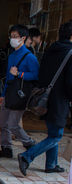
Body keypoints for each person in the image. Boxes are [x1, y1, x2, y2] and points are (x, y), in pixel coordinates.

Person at [18, 21, 72, 175]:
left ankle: (51, 164)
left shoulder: (51, 50)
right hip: (59, 100)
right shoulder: (70, 53)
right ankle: (27, 156)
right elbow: (70, 82)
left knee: (52, 132)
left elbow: (41, 73)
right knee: (56, 135)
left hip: (45, 99)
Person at [0, 24, 38, 158]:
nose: (12, 39)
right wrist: (3, 94)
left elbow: (36, 75)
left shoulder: (30, 57)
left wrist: (20, 74)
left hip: (20, 94)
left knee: (13, 124)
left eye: (15, 37)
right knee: (2, 123)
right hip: (9, 91)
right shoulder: (11, 55)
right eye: (11, 36)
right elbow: (8, 77)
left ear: (23, 38)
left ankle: (29, 143)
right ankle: (6, 147)